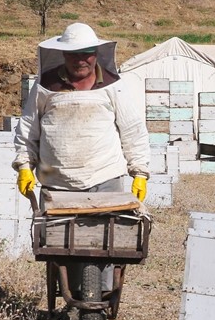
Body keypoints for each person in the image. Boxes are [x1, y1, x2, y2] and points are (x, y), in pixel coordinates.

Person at [13, 22, 149, 204]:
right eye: (73, 54)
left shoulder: (113, 86)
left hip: (105, 179)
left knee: (108, 224)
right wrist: (24, 165)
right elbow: (28, 129)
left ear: (96, 53)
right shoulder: (45, 86)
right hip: (55, 183)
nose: (80, 60)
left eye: (86, 53)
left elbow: (132, 129)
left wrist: (139, 172)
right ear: (63, 54)